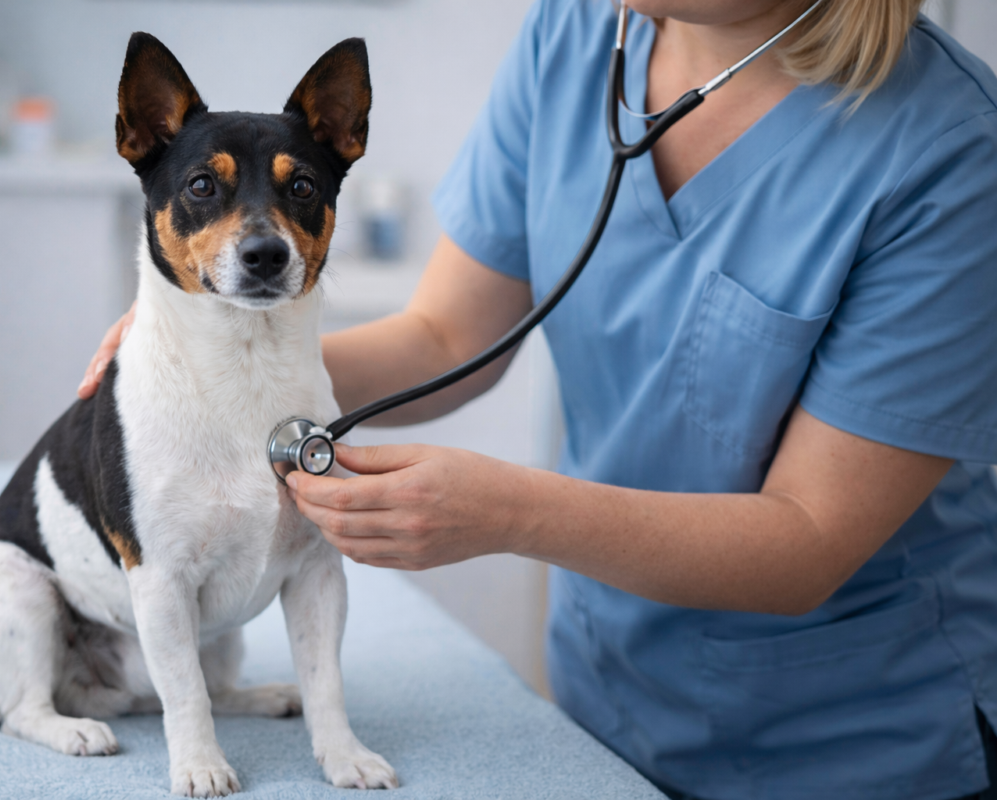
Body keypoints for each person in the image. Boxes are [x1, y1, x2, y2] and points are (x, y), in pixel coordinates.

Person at [80, 1, 997, 797]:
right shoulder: (576, 29)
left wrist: (506, 509)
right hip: (600, 699)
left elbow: (811, 537)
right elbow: (449, 336)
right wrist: (207, 373)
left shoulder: (946, 151)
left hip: (854, 742)